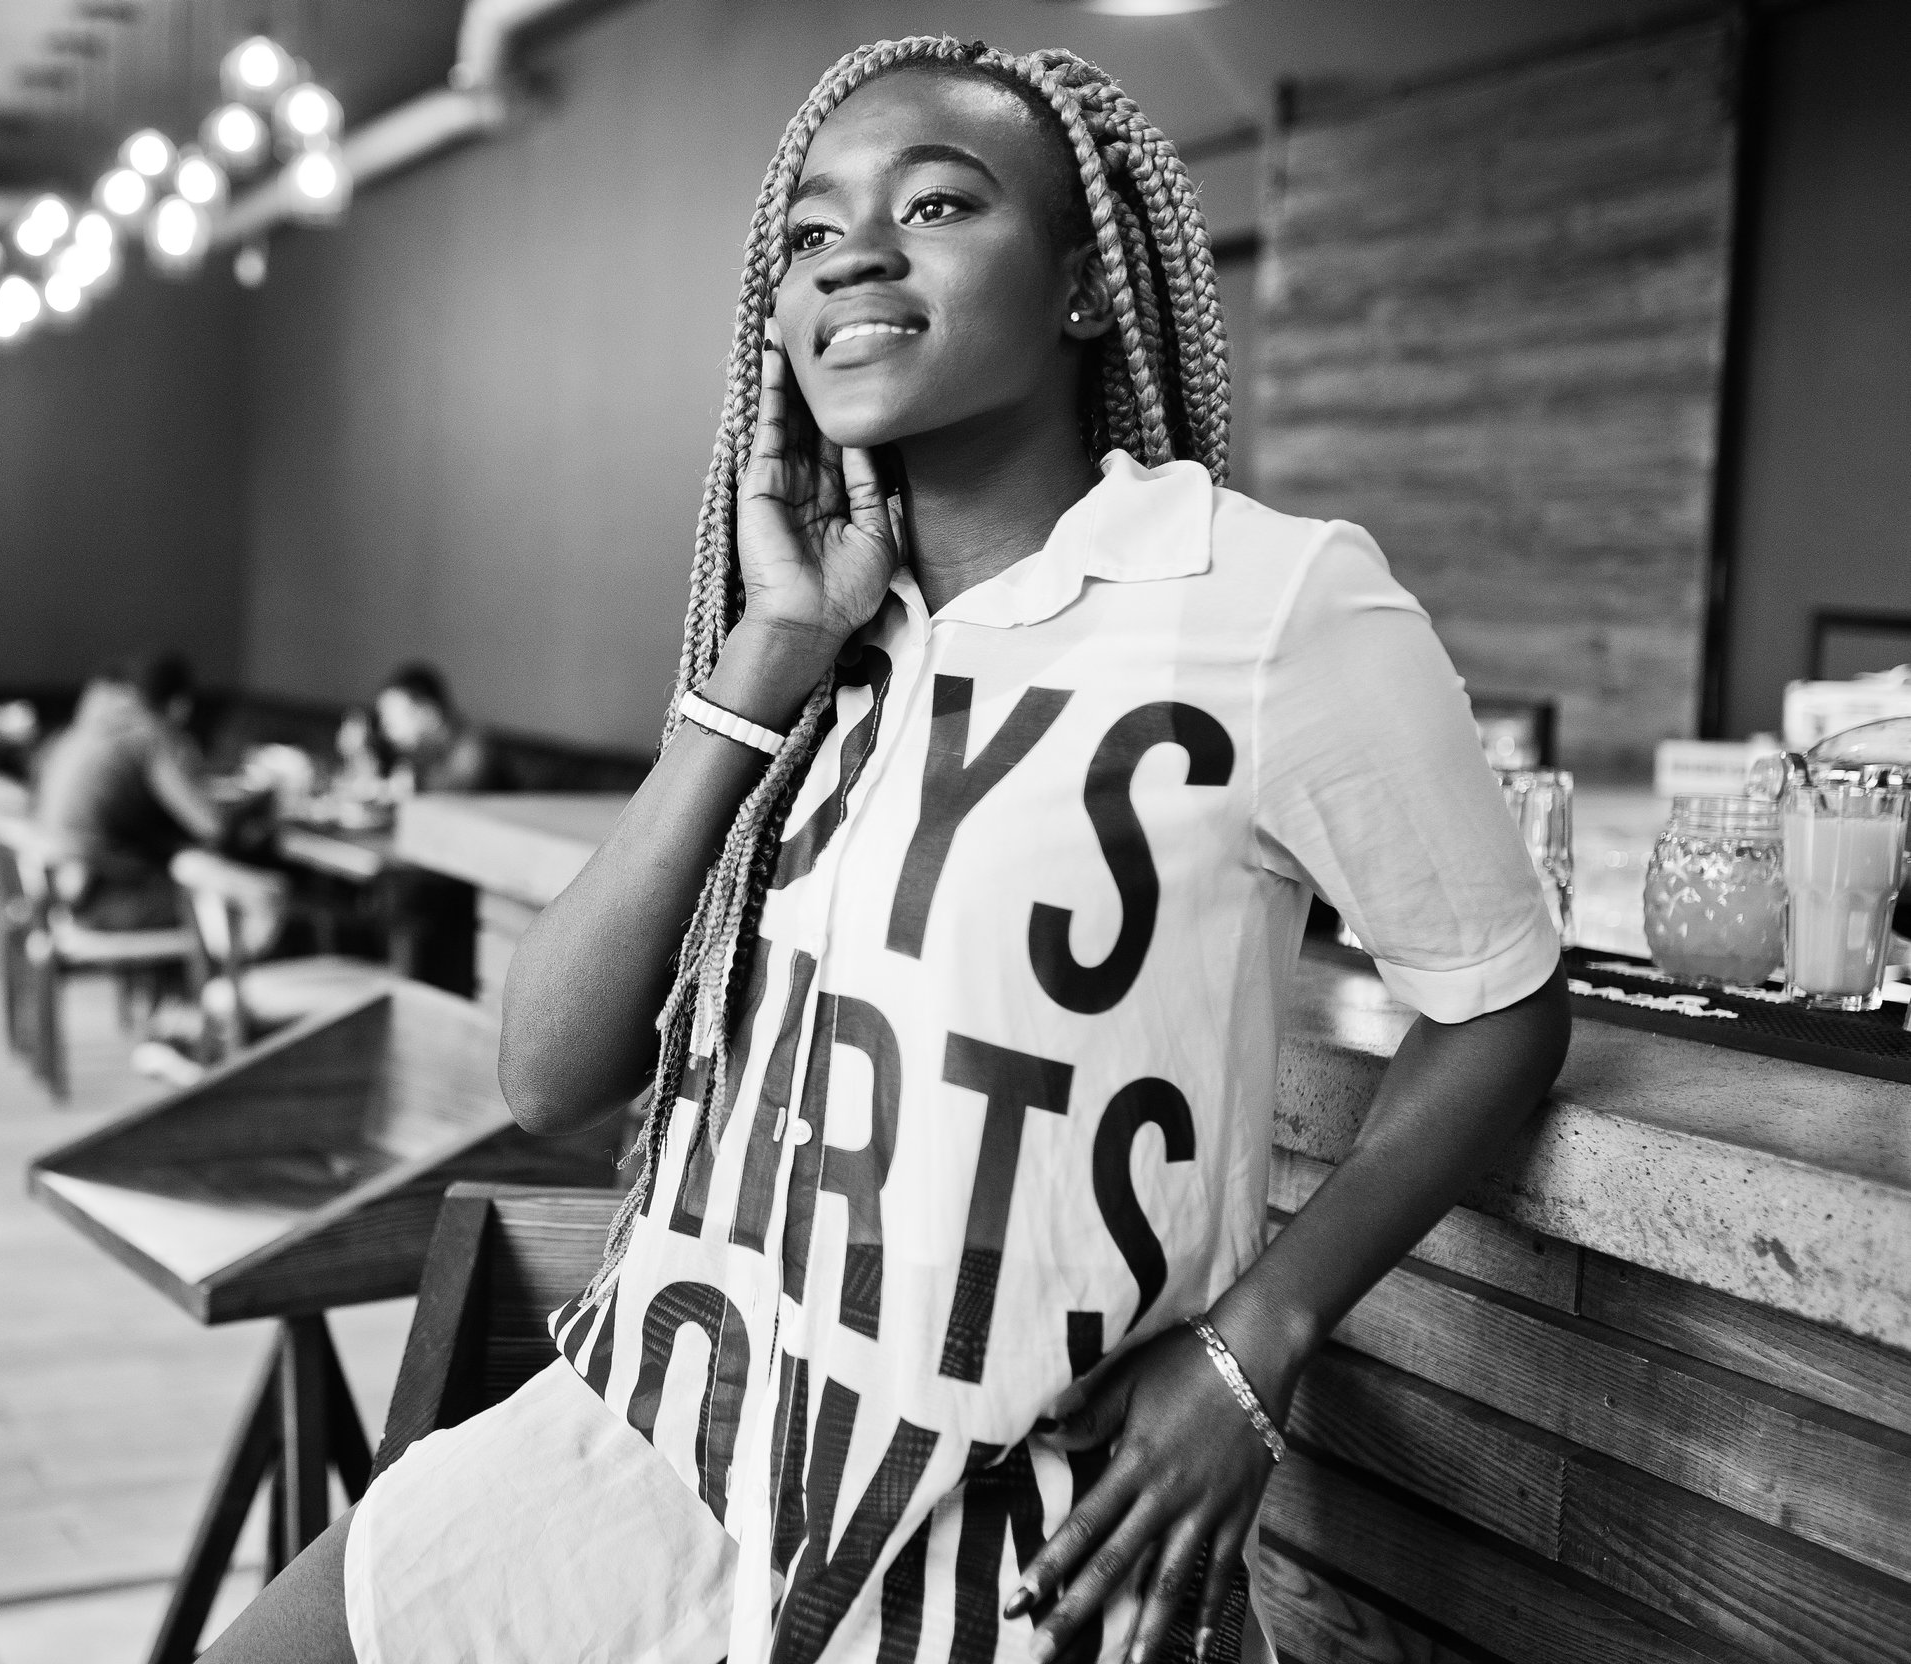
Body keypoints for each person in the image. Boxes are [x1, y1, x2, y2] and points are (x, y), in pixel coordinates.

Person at [210, 37, 1568, 1664]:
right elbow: (549, 1072)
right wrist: (767, 658)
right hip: (649, 1448)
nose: (852, 253)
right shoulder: (821, 637)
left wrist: (1256, 1335)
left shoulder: (1271, 600)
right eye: (811, 231)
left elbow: (1500, 1002)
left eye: (935, 204)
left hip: (992, 1539)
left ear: (1085, 283)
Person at [32, 654, 230, 930]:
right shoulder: (147, 735)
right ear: (180, 706)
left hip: (60, 894)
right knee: (228, 901)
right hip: (101, 902)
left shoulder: (81, 731)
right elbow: (210, 825)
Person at [372, 662, 496, 794]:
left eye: (392, 721)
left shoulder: (472, 747)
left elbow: (453, 794)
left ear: (428, 712)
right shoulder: (415, 754)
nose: (385, 730)